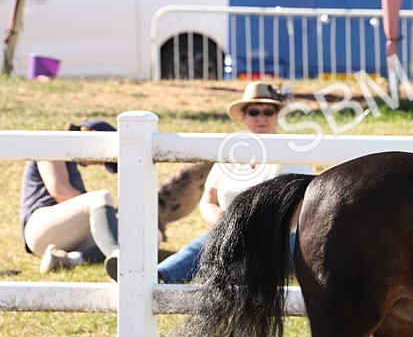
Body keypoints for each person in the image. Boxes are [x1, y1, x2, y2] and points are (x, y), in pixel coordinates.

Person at [107, 81, 313, 283]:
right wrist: (219, 219)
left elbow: (304, 207)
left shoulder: (291, 153)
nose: (261, 118)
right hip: (230, 231)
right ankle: (160, 275)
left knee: (221, 242)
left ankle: (163, 275)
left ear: (277, 116)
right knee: (214, 239)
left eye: (268, 112)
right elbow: (209, 199)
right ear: (244, 116)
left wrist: (263, 224)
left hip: (280, 236)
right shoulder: (230, 155)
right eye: (254, 112)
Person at [20, 119, 121, 274]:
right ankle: (119, 257)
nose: (97, 164)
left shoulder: (72, 162)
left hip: (68, 235)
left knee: (149, 235)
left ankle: (69, 260)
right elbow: (60, 191)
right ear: (92, 136)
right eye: (102, 158)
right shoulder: (53, 144)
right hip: (39, 227)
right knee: (100, 197)